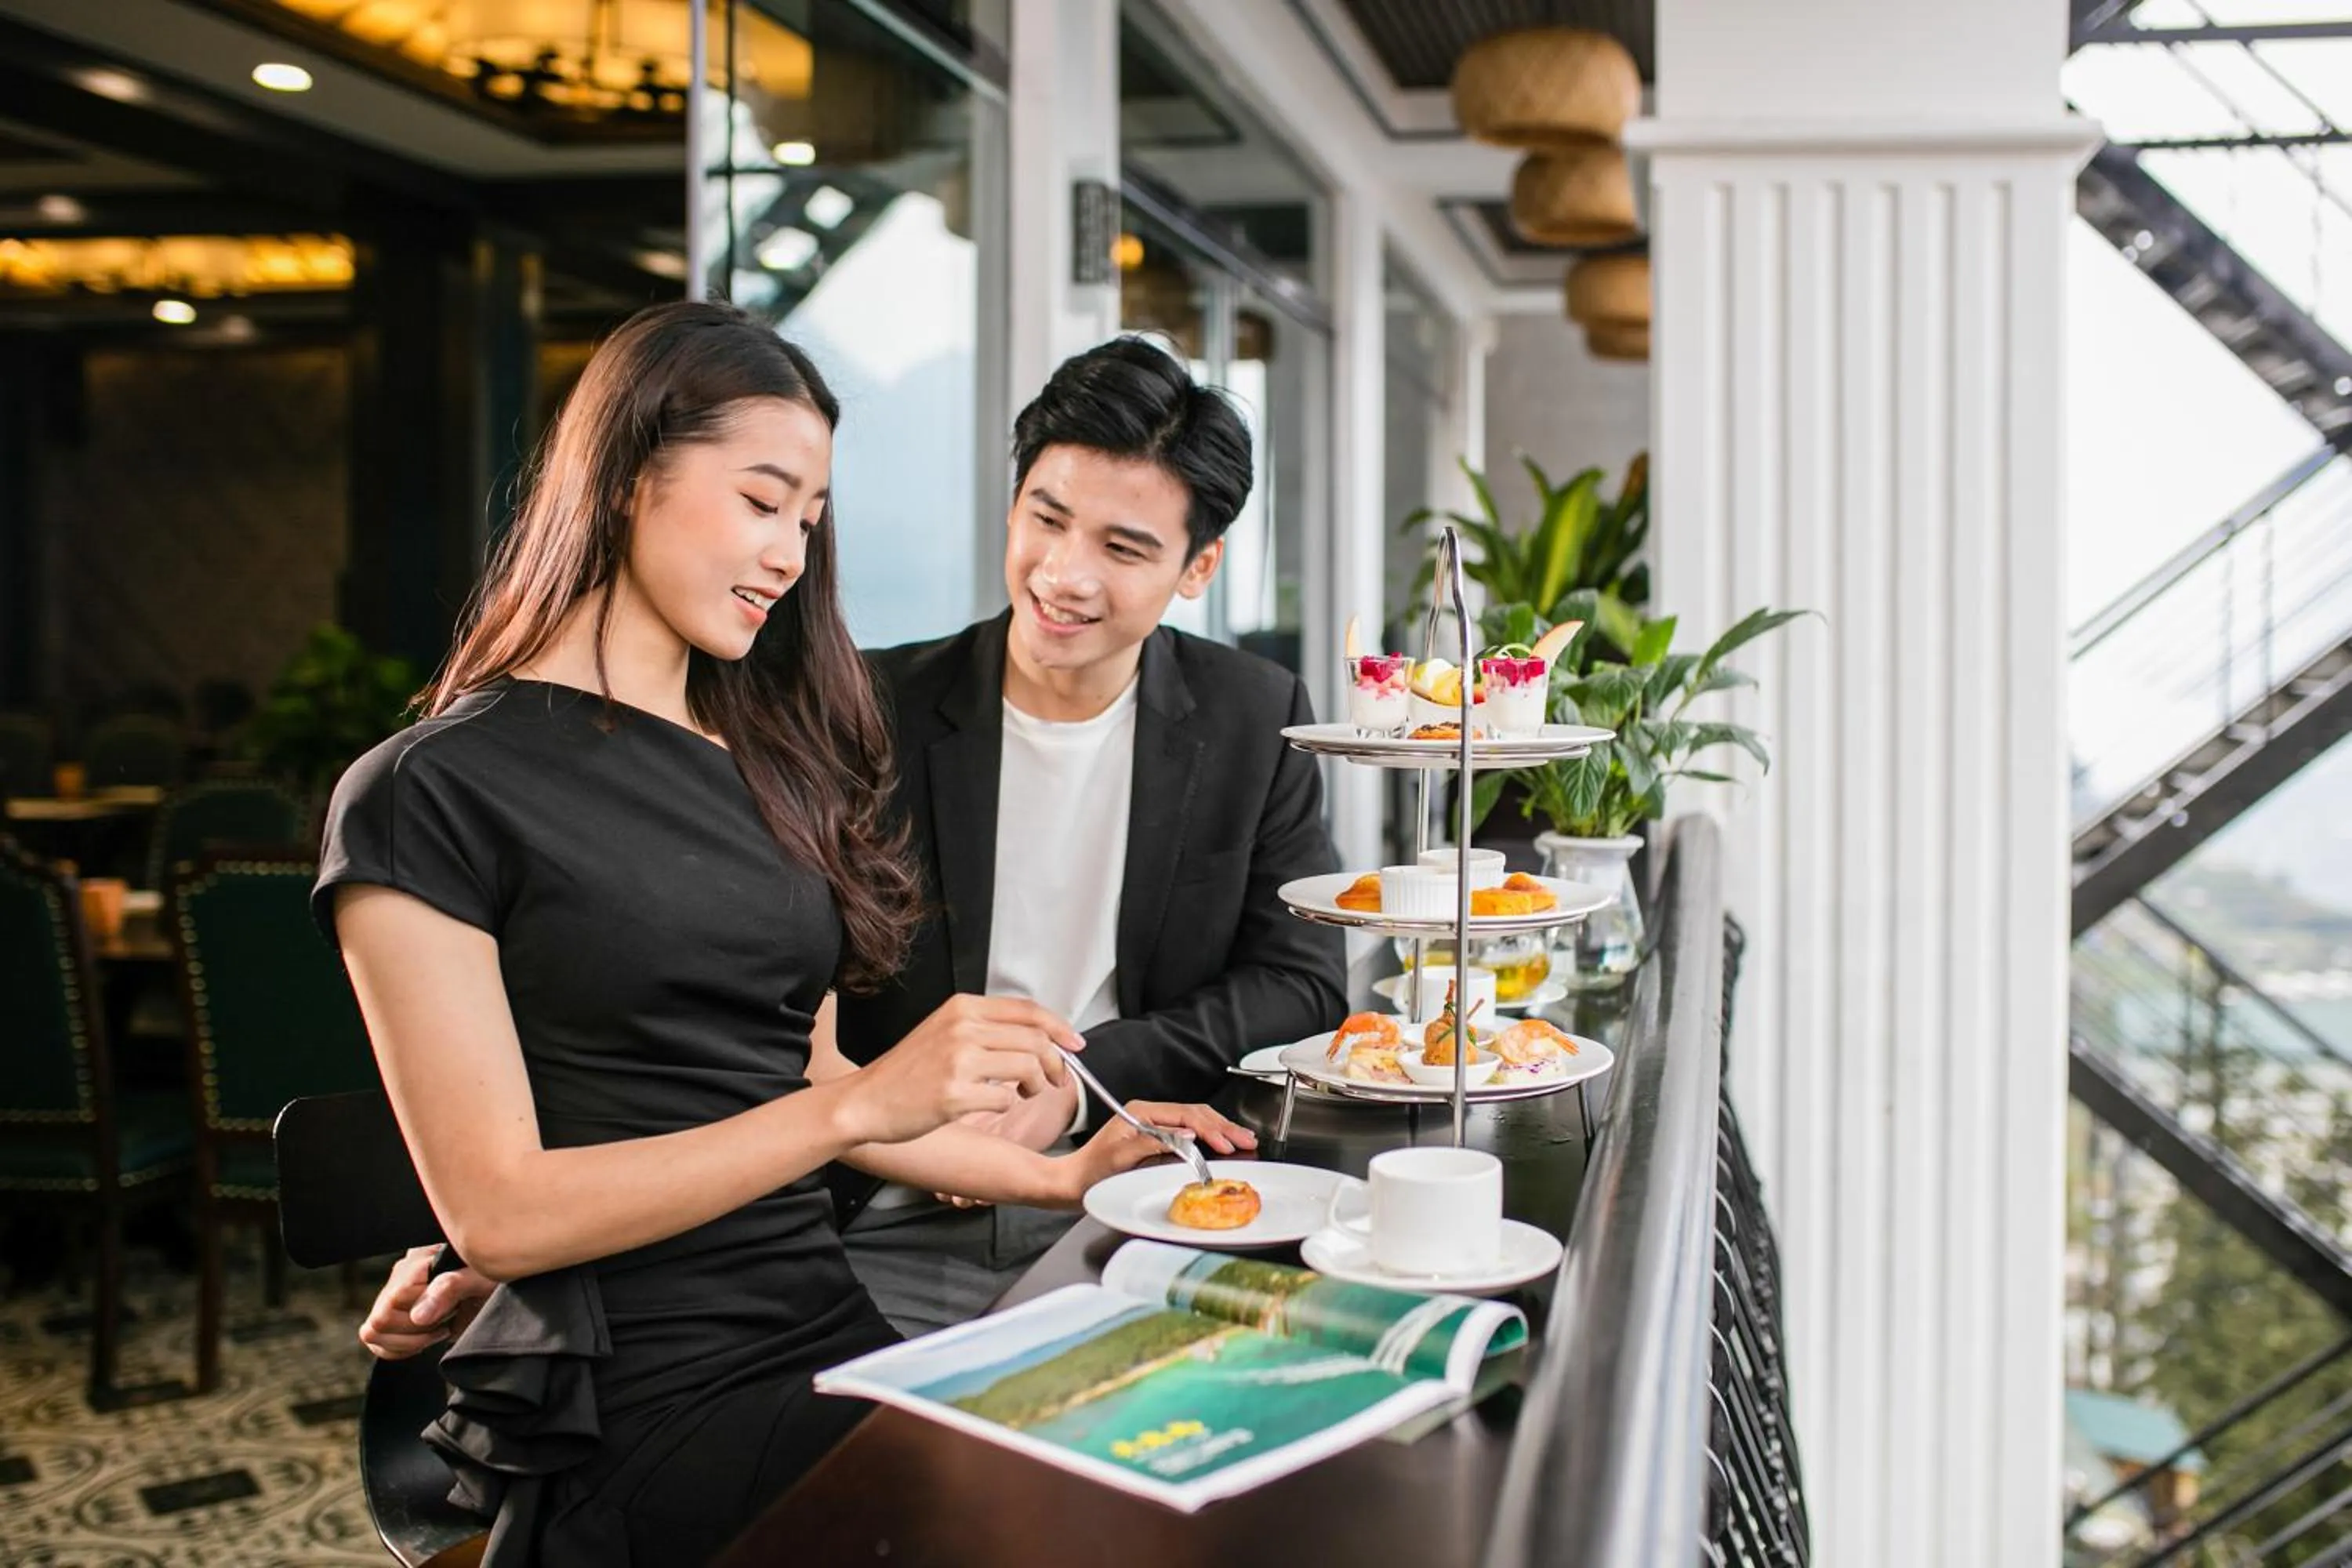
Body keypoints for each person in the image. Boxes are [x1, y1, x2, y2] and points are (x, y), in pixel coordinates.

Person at [318, 300, 1247, 1567]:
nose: (790, 555)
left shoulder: (768, 760)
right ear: (628, 473)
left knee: (1179, 1460)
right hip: (640, 1382)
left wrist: (1067, 1175)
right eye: (762, 502)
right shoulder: (426, 792)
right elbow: (502, 1217)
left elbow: (806, 1081)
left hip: (816, 1323)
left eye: (809, 520)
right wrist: (860, 1106)